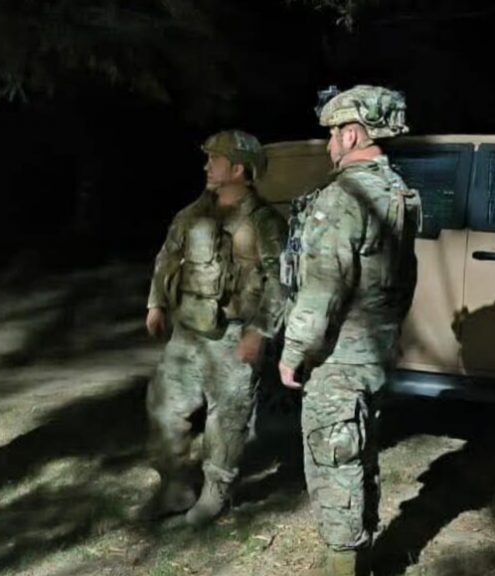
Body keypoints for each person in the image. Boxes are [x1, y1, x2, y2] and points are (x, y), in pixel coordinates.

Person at [278, 85, 420, 575]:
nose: (329, 144)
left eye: (334, 133)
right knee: (359, 453)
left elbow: (322, 289)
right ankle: (364, 555)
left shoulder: (344, 198)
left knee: (335, 463)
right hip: (375, 351)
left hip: (339, 359)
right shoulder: (398, 191)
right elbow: (406, 278)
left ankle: (345, 568)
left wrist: (293, 351)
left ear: (354, 132)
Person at [144, 130, 288, 526]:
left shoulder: (265, 223)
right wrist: (156, 303)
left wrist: (259, 331)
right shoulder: (192, 215)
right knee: (163, 410)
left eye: (215, 159)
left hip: (232, 337)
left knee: (226, 422)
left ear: (238, 168)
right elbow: (167, 257)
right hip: (187, 333)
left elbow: (282, 281)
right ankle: (176, 489)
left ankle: (214, 499)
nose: (207, 166)